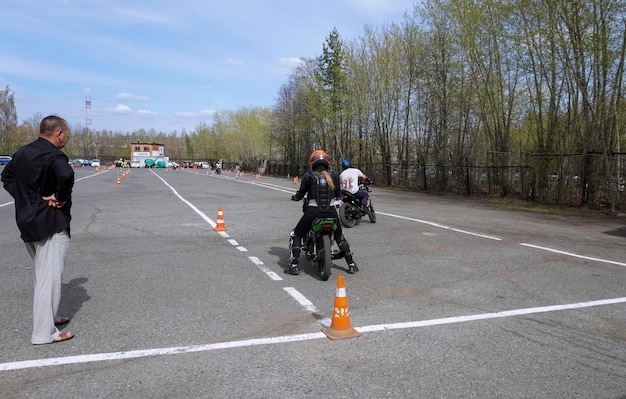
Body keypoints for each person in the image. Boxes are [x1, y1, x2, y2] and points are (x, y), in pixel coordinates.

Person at [1, 115, 75, 344]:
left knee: (42, 274)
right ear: (59, 133)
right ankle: (44, 333)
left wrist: (26, 199)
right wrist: (58, 197)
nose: (67, 138)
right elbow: (67, 175)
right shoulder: (54, 155)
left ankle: (48, 319)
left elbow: (7, 176)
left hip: (27, 221)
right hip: (49, 223)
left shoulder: (22, 152)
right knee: (49, 278)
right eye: (67, 134)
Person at [289, 150, 358, 275]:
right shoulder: (334, 176)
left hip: (312, 212)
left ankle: (294, 264)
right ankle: (352, 263)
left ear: (312, 162)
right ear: (327, 162)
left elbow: (301, 193)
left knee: (296, 235)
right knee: (339, 236)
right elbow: (338, 195)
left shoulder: (308, 176)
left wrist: (295, 197)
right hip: (331, 212)